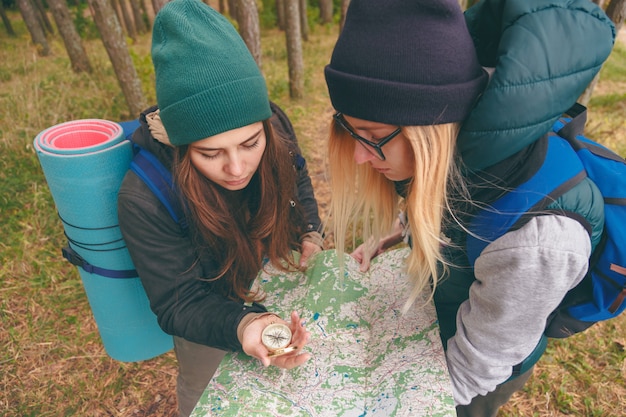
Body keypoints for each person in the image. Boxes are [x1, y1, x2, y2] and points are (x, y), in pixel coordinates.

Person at [323, 0, 615, 415]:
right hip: (445, 321)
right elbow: (444, 196)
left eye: (370, 135)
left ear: (430, 130)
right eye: (349, 129)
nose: (357, 157)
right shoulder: (464, 143)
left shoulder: (536, 243)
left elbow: (475, 368)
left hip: (472, 376)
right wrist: (397, 232)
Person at [117, 0, 324, 415]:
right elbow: (178, 301)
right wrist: (243, 323)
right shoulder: (144, 197)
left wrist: (310, 231)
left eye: (250, 144)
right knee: (202, 379)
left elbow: (295, 174)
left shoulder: (273, 123)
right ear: (181, 146)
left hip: (265, 270)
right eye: (210, 153)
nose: (236, 167)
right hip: (204, 299)